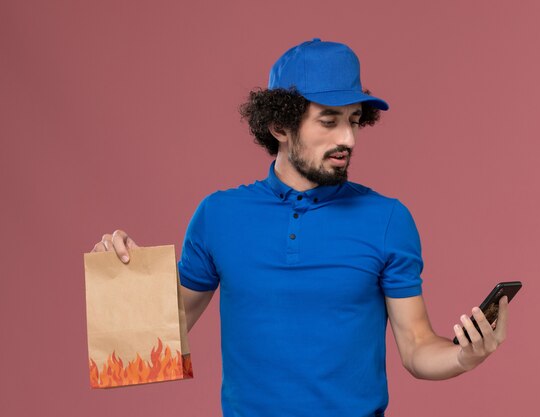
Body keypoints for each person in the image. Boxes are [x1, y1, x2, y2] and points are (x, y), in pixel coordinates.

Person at [92, 38, 509, 417]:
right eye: (329, 121)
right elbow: (157, 332)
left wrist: (463, 356)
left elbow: (417, 347)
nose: (348, 138)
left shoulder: (387, 219)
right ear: (280, 126)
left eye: (355, 120)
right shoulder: (218, 215)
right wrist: (121, 278)